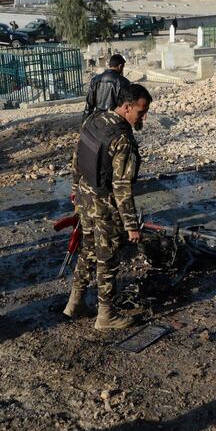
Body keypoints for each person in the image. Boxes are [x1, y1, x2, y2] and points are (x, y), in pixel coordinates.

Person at [66, 83, 152, 330]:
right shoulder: (122, 139)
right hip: (105, 208)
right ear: (126, 107)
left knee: (87, 251)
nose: (143, 117)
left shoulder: (95, 120)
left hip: (85, 198)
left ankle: (74, 304)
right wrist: (131, 225)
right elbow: (122, 186)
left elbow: (77, 155)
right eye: (140, 111)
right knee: (107, 260)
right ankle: (106, 316)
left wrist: (75, 190)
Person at [82, 54, 130, 123]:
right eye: (123, 67)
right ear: (120, 66)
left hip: (98, 120)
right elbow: (126, 106)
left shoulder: (95, 79)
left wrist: (84, 123)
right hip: (115, 121)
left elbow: (89, 105)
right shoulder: (124, 82)